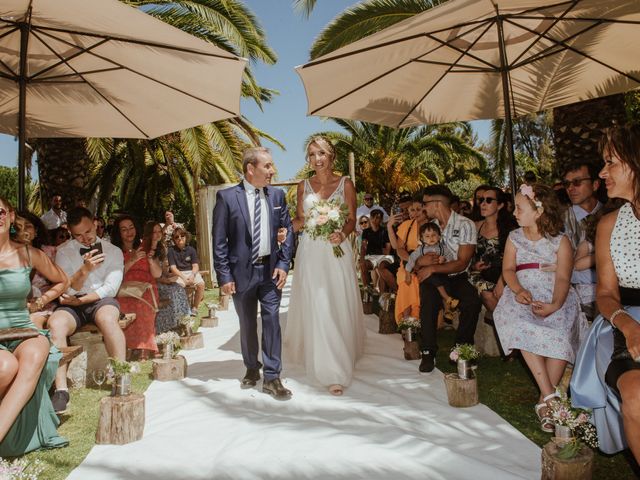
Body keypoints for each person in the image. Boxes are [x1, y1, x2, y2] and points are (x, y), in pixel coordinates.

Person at [494, 184, 587, 433]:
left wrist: (555, 305)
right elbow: (508, 270)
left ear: (539, 211)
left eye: (519, 208)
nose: (514, 212)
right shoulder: (514, 237)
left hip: (556, 296)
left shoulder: (561, 241)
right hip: (522, 294)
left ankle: (543, 402)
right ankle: (551, 397)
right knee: (521, 324)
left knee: (560, 330)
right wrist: (518, 290)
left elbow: (563, 279)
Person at [571, 124, 640, 460]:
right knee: (636, 394)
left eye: (611, 162)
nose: (602, 172)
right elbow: (606, 293)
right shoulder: (609, 224)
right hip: (622, 320)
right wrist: (629, 327)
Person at [212, 147, 294, 399]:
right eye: (267, 166)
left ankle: (272, 376)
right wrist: (224, 276)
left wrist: (283, 263)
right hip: (241, 275)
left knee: (271, 321)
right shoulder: (226, 197)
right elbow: (219, 241)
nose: (272, 171)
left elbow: (288, 230)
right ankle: (251, 367)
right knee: (247, 323)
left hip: (271, 272)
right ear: (250, 168)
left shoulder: (278, 196)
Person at [286, 136, 365, 396]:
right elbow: (299, 219)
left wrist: (342, 234)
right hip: (310, 252)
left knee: (335, 302)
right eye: (311, 154)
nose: (316, 159)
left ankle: (341, 354)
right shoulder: (303, 186)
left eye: (321, 153)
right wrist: (284, 229)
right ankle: (332, 370)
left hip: (335, 250)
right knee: (318, 305)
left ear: (331, 156)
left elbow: (352, 218)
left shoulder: (345, 184)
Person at [0, 196, 69, 456]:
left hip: (23, 329)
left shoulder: (28, 253)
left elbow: (63, 281)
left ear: (10, 216)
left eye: (1, 211)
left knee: (36, 352)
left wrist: (39, 302)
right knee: (5, 368)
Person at [47, 207, 126, 414]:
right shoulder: (64, 252)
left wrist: (81, 299)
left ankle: (121, 376)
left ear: (95, 223)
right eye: (78, 235)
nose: (85, 238)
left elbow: (111, 288)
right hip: (72, 303)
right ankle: (61, 391)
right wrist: (84, 270)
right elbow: (67, 287)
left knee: (108, 318)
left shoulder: (113, 251)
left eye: (88, 231)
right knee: (55, 324)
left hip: (101, 300)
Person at [413, 185, 482, 373]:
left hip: (457, 276)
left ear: (436, 204)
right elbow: (420, 258)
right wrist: (421, 261)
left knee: (472, 302)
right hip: (434, 278)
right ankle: (428, 351)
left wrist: (433, 266)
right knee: (428, 300)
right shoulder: (428, 227)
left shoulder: (465, 224)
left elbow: (462, 262)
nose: (423, 208)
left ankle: (462, 348)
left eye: (425, 204)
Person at [111, 216, 161, 360]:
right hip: (124, 289)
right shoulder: (115, 252)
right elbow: (115, 275)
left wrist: (150, 260)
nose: (129, 232)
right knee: (125, 304)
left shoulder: (145, 247)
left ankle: (143, 347)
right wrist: (133, 260)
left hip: (146, 288)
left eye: (131, 227)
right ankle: (130, 346)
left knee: (142, 302)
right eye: (124, 229)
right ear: (118, 233)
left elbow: (157, 274)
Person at [562, 161, 604, 320]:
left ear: (595, 184)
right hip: (572, 298)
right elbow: (559, 268)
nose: (570, 188)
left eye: (577, 182)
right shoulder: (558, 221)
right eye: (567, 184)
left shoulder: (612, 214)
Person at [468, 187, 517, 313]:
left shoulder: (509, 229)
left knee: (500, 292)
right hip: (478, 275)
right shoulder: (474, 226)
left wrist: (502, 280)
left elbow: (515, 260)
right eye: (481, 200)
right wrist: (474, 266)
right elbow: (466, 255)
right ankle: (506, 329)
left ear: (500, 205)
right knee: (487, 294)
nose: (483, 204)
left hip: (504, 273)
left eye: (489, 200)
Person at [143, 221, 190, 334]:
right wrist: (163, 279)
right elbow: (148, 273)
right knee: (172, 292)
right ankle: (167, 327)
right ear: (149, 234)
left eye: (159, 231)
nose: (158, 234)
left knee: (179, 288)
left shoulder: (161, 247)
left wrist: (169, 276)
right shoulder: (145, 248)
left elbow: (163, 270)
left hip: (162, 280)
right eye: (154, 232)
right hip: (150, 283)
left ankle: (182, 322)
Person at [405, 223, 458, 314]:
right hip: (426, 275)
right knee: (435, 280)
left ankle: (447, 310)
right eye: (427, 236)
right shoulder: (421, 249)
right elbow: (411, 259)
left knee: (446, 284)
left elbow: (451, 258)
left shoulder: (443, 248)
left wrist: (445, 259)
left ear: (439, 236)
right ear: (421, 238)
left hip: (440, 272)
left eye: (434, 235)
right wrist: (407, 273)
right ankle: (447, 298)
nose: (431, 238)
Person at [388, 197, 427, 324]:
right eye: (412, 210)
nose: (415, 213)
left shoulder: (434, 226)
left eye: (418, 210)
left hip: (427, 265)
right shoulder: (407, 225)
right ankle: (407, 321)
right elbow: (399, 249)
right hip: (407, 265)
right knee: (406, 280)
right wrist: (412, 262)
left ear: (425, 210)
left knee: (414, 280)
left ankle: (412, 319)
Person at [168, 227, 205, 316]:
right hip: (179, 274)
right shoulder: (171, 251)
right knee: (178, 287)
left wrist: (192, 276)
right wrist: (184, 278)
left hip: (191, 272)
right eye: (177, 237)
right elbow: (173, 268)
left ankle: (195, 308)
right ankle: (183, 309)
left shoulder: (191, 250)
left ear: (186, 237)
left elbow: (195, 266)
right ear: (174, 239)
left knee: (201, 284)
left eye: (182, 235)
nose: (180, 238)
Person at [359, 209, 394, 291]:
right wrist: (361, 258)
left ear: (381, 220)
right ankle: (367, 289)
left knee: (381, 266)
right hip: (371, 257)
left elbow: (388, 248)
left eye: (377, 218)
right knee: (362, 264)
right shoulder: (366, 231)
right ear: (370, 218)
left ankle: (383, 294)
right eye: (373, 217)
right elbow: (363, 246)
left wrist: (383, 257)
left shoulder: (384, 231)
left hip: (384, 257)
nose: (375, 220)